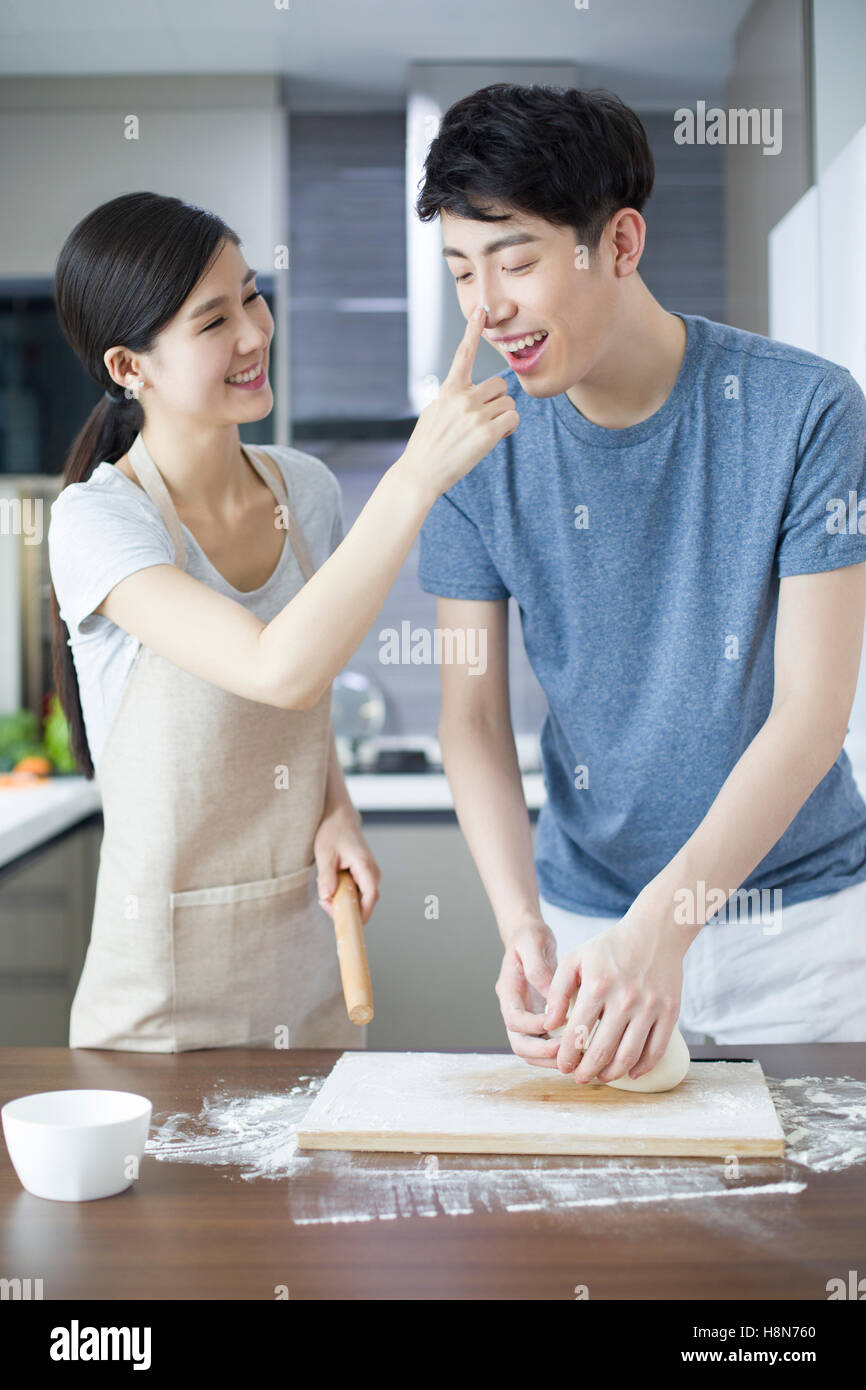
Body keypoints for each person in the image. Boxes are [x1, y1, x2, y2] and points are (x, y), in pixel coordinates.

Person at [415, 84, 866, 1082]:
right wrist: (520, 920)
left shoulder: (805, 412)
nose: (486, 307)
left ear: (618, 244)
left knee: (813, 1226)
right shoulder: (469, 449)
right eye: (459, 272)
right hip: (587, 929)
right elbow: (470, 718)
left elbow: (810, 713)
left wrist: (666, 929)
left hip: (798, 936)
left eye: (515, 261)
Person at [48, 190, 516, 1051]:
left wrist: (333, 804)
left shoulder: (305, 492)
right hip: (153, 1012)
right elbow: (274, 667)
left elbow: (308, 689)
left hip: (308, 981)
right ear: (129, 367)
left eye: (253, 296)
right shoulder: (98, 522)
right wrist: (414, 477)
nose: (255, 334)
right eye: (212, 320)